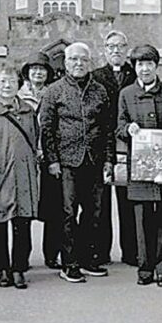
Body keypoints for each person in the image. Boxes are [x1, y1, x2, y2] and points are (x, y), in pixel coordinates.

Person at [40, 42, 114, 283]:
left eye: (83, 59)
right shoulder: (53, 91)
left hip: (94, 160)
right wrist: (52, 160)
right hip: (67, 161)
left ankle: (87, 258)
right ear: (65, 62)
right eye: (74, 59)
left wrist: (109, 161)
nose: (79, 64)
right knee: (67, 213)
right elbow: (47, 129)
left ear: (89, 62)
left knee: (94, 212)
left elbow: (107, 129)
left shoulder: (100, 91)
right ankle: (69, 263)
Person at [115, 44, 162, 287]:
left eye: (149, 64)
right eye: (140, 64)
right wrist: (127, 129)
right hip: (140, 165)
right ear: (134, 67)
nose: (144, 69)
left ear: (156, 66)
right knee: (142, 219)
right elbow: (119, 126)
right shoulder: (126, 94)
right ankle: (145, 268)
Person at [0, 62, 40, 289]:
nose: (7, 86)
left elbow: (35, 140)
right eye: (2, 81)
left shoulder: (28, 111)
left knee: (23, 222)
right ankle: (2, 268)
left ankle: (19, 267)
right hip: (0, 173)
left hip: (25, 174)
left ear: (19, 84)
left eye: (12, 81)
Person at [90, 30, 139, 267]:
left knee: (127, 201)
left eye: (120, 46)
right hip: (101, 144)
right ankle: (100, 250)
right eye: (111, 46)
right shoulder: (95, 76)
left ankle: (130, 251)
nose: (116, 50)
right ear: (105, 50)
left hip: (129, 144)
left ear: (127, 49)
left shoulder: (135, 73)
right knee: (101, 202)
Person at [19, 52, 63, 269]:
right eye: (34, 69)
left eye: (42, 69)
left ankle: (51, 253)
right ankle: (22, 256)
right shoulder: (17, 96)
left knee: (53, 207)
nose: (38, 73)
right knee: (24, 208)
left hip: (48, 156)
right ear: (27, 72)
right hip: (25, 158)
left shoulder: (53, 94)